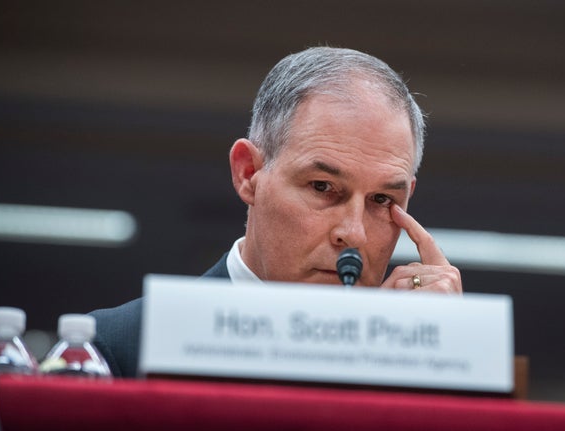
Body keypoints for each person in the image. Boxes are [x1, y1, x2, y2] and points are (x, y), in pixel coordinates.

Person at [91, 46, 462, 378]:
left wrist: (451, 354)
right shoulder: (111, 349)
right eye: (322, 187)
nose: (354, 234)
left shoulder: (418, 365)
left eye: (382, 200)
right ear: (248, 173)